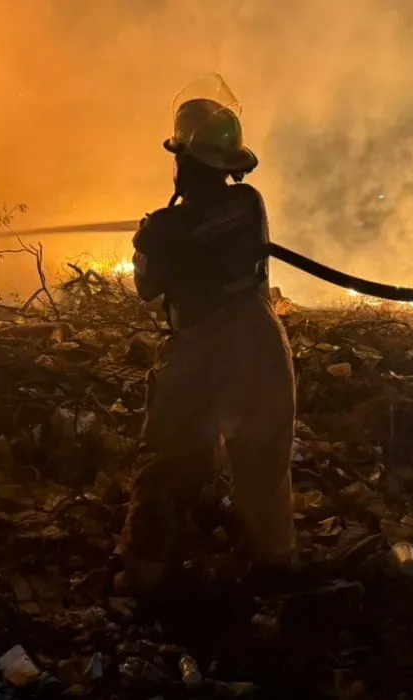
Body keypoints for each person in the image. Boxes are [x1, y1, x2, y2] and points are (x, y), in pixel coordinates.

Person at [116, 77, 297, 595]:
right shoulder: (250, 202)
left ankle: (143, 576)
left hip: (199, 353)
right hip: (263, 346)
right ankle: (277, 569)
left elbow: (146, 288)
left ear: (181, 161)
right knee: (265, 465)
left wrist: (146, 240)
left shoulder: (162, 230)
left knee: (167, 461)